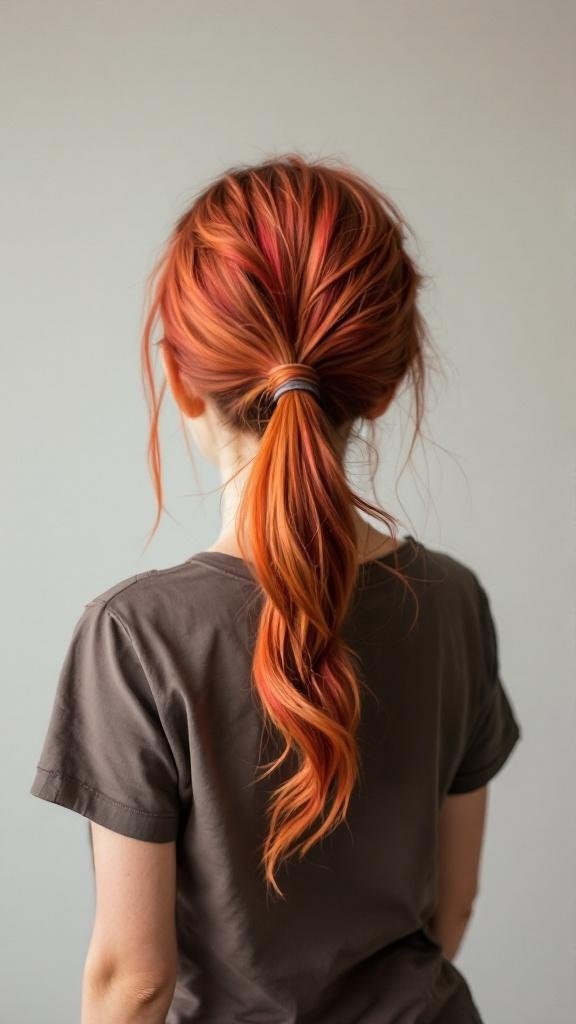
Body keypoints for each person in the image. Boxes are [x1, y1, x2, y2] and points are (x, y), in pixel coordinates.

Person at [30, 153, 521, 1024]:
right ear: (384, 385)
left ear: (182, 379)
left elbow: (133, 981)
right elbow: (454, 906)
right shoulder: (453, 602)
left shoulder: (137, 636)